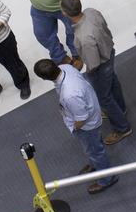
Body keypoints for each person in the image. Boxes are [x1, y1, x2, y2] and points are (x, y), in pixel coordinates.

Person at [33, 58, 117, 194]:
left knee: (95, 151)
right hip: (90, 108)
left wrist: (76, 128)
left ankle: (107, 179)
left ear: (44, 78)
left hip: (86, 126)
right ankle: (95, 163)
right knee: (95, 145)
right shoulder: (66, 68)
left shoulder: (70, 95)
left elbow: (82, 118)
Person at [60, 0, 131, 143]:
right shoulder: (91, 12)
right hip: (110, 53)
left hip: (101, 66)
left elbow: (93, 64)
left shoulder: (83, 37)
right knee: (113, 82)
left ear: (65, 13)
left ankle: (122, 128)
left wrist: (88, 73)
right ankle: (121, 108)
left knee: (104, 98)